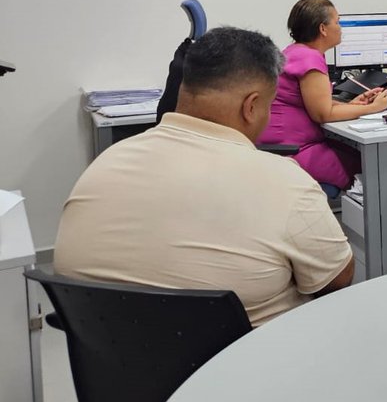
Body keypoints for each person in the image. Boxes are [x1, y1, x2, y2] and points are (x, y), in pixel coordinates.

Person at [55, 28, 355, 327]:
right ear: (251, 106)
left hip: (116, 366)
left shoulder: (104, 164)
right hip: (249, 365)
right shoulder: (285, 181)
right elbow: (337, 278)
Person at [258, 0, 387, 191]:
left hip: (284, 144)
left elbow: (312, 103)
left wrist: (355, 105)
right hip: (294, 150)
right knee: (374, 164)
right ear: (323, 29)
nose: (341, 27)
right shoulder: (309, 58)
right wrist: (373, 108)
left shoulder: (295, 51)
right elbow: (323, 114)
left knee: (360, 154)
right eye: (337, 22)